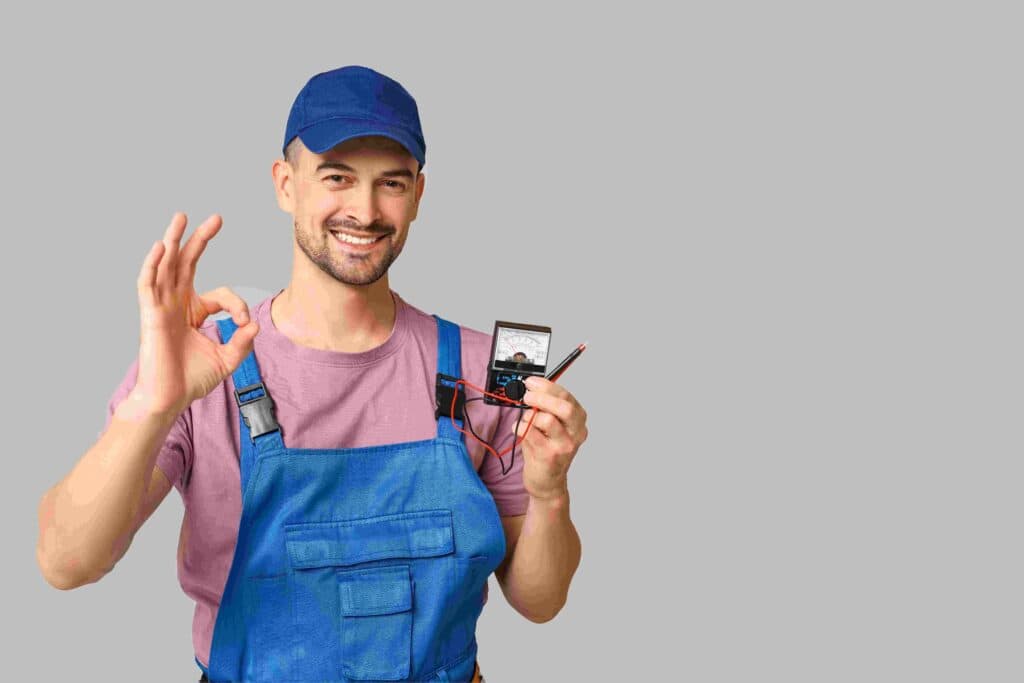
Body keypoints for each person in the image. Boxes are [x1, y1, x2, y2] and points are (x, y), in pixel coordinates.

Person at [35, 65, 588, 682]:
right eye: (337, 178)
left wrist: (549, 492)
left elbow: (540, 602)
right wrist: (151, 403)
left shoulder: (487, 373)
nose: (365, 209)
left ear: (419, 196)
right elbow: (65, 562)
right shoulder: (203, 365)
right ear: (285, 184)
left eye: (392, 184)